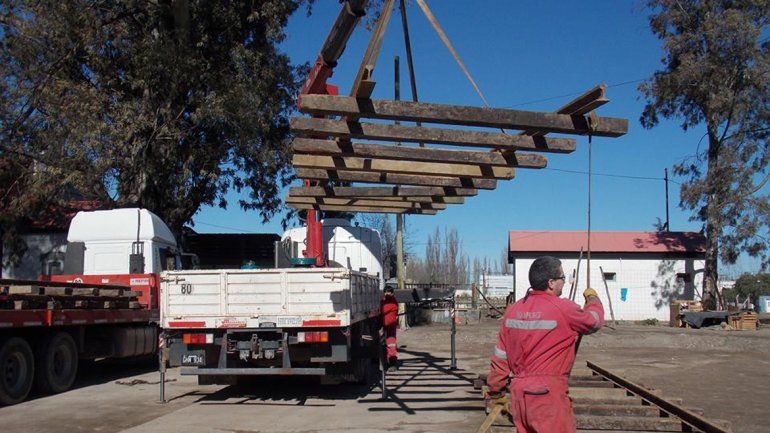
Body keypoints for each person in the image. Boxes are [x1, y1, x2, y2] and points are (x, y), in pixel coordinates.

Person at [486, 256, 604, 433]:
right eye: (562, 278)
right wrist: (593, 300)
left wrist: (496, 391)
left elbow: (500, 357)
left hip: (520, 397)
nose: (564, 282)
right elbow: (594, 322)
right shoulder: (563, 308)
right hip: (547, 397)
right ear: (551, 283)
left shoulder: (513, 311)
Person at [381, 286, 399, 372]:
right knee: (385, 344)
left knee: (391, 344)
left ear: (392, 293)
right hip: (385, 326)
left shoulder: (392, 303)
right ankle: (388, 362)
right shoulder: (385, 301)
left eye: (389, 292)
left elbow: (382, 310)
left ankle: (393, 363)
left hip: (390, 326)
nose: (387, 293)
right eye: (385, 292)